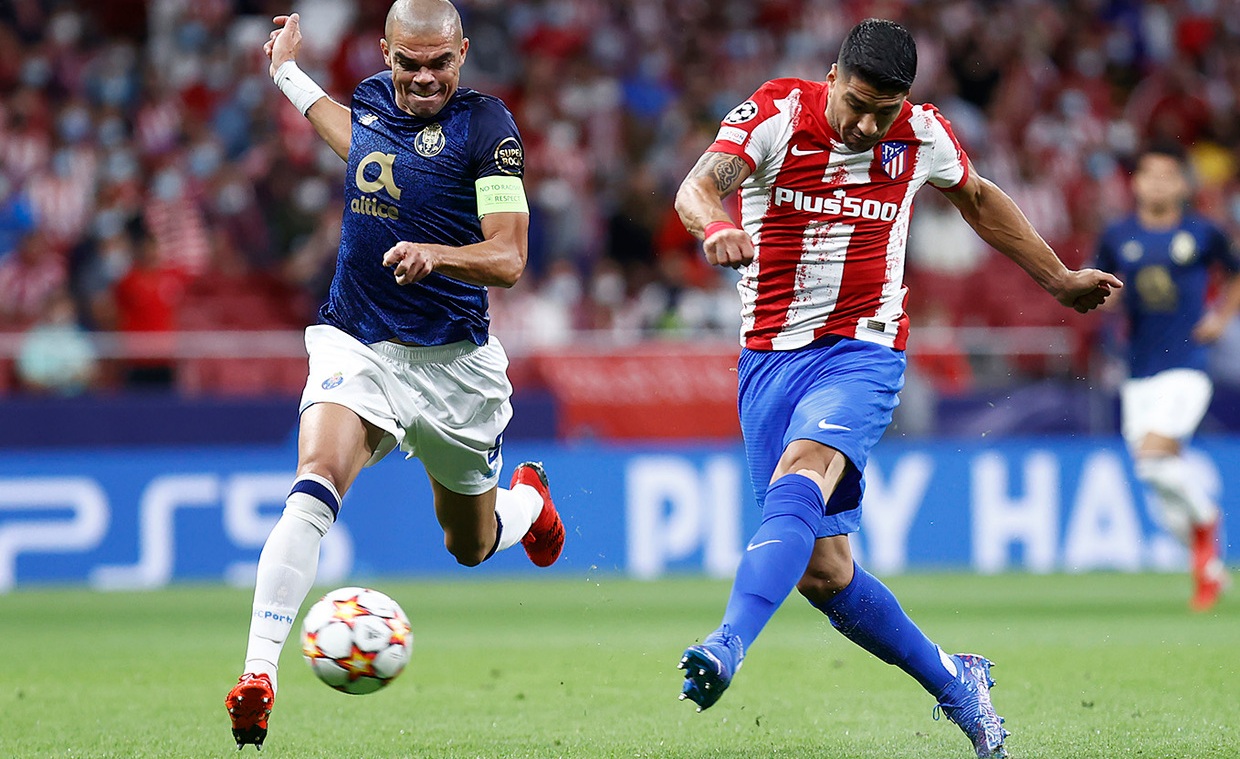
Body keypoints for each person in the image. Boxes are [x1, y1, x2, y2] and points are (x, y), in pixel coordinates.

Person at [672, 19, 1121, 759]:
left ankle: (727, 643)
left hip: (863, 350)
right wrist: (714, 225)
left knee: (801, 475)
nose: (867, 125)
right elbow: (697, 186)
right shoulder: (777, 112)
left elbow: (978, 198)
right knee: (824, 572)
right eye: (857, 104)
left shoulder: (920, 134)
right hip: (769, 360)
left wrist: (1059, 278)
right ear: (832, 77)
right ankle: (956, 680)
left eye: (885, 110)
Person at [225, 0, 565, 750]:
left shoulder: (489, 130)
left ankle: (527, 505)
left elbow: (509, 257)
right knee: (316, 479)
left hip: (454, 369)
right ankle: (258, 676)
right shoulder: (375, 101)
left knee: (468, 544)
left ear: (462, 53)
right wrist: (287, 74)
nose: (424, 78)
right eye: (408, 63)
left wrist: (434, 254)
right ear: (385, 53)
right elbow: (354, 141)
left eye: (439, 63)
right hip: (358, 343)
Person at [1094, 144, 1240, 612]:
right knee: (1154, 478)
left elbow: (1234, 274)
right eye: (1150, 175)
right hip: (1139, 371)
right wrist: (1106, 299)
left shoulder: (1202, 232)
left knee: (1154, 459)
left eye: (1168, 176)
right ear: (1136, 183)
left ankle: (1208, 520)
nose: (1158, 184)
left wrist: (1221, 318)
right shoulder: (1118, 235)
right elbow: (1102, 285)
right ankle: (1209, 566)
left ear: (1182, 184)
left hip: (1188, 366)